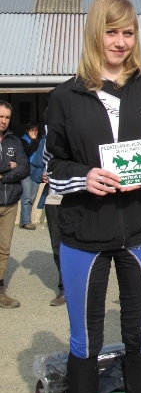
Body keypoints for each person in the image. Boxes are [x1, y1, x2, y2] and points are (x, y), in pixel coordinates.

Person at [45, 0, 141, 393]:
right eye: (111, 32)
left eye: (128, 32)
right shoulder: (64, 96)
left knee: (140, 333)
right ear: (95, 33)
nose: (120, 42)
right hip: (83, 232)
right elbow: (51, 165)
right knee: (84, 336)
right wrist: (84, 177)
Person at [30, 128, 66, 305]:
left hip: (78, 200)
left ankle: (83, 285)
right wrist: (40, 174)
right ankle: (64, 288)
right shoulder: (45, 142)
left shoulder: (79, 136)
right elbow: (34, 167)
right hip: (53, 201)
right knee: (58, 246)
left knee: (82, 244)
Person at [0, 101, 29, 308]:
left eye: (7, 117)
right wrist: (7, 165)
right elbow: (14, 166)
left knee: (3, 249)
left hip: (10, 203)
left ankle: (0, 291)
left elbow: (24, 167)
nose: (3, 121)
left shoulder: (14, 141)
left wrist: (3, 177)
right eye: (0, 116)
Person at [19, 122, 40, 229]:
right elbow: (28, 151)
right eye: (32, 130)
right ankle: (26, 222)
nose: (34, 132)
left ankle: (26, 219)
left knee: (32, 197)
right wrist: (34, 140)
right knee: (26, 197)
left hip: (36, 171)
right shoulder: (22, 141)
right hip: (26, 171)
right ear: (28, 131)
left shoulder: (39, 141)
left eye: (35, 130)